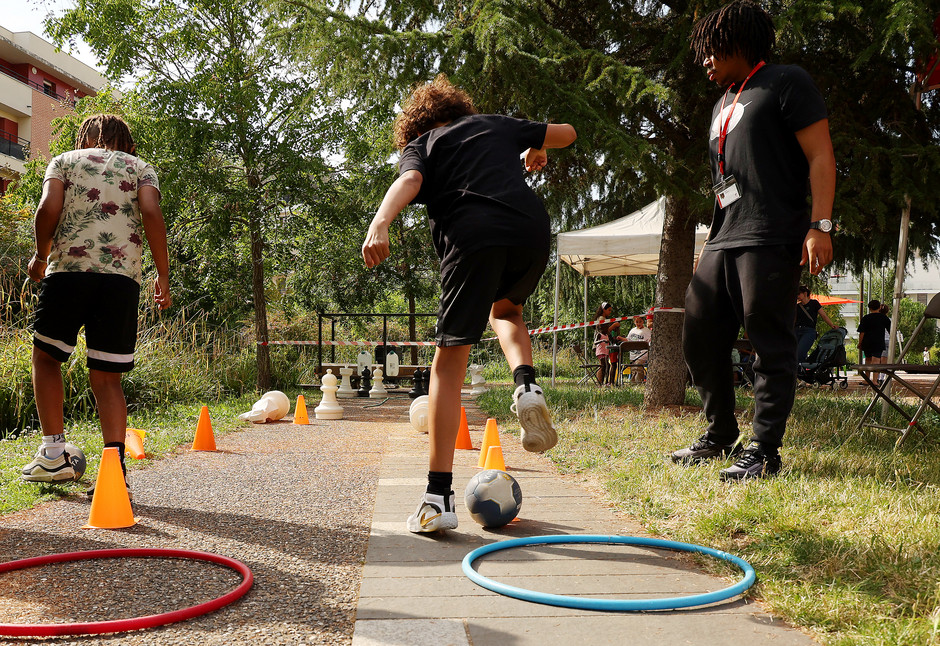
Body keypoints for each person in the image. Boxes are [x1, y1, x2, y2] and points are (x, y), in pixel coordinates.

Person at [361, 75, 577, 533]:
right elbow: (568, 133)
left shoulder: (423, 143)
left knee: (447, 362)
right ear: (461, 110)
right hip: (531, 229)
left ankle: (438, 497)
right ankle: (526, 385)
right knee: (507, 311)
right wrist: (539, 146)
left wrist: (380, 222)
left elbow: (411, 179)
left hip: (473, 233)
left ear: (420, 124)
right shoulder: (496, 125)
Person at [671, 0, 836, 481]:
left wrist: (820, 225)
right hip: (725, 234)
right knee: (699, 333)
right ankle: (721, 435)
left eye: (711, 50)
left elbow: (821, 156)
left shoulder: (787, 81)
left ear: (738, 41)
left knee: (769, 341)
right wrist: (709, 241)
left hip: (772, 232)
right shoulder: (723, 101)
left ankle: (764, 450)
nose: (705, 61)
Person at [21, 114, 171, 491]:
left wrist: (40, 257)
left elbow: (47, 209)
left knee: (46, 357)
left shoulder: (65, 160)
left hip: (68, 273)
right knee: (107, 377)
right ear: (128, 143)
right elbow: (152, 213)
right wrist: (163, 275)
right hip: (121, 282)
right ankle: (113, 471)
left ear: (85, 137)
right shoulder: (142, 168)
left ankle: (54, 455)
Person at [795, 285, 838, 363]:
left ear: (805, 293)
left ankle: (801, 371)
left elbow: (823, 316)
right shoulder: (797, 306)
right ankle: (800, 371)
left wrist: (831, 325)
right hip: (797, 330)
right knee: (795, 353)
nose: (797, 296)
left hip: (809, 331)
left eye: (798, 294)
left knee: (800, 352)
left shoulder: (814, 303)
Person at [857, 299, 891, 374]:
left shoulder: (865, 318)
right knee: (876, 361)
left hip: (867, 342)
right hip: (878, 342)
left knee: (868, 360)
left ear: (870, 308)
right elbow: (890, 330)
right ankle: (875, 380)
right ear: (879, 307)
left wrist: (860, 342)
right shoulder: (884, 318)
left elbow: (862, 332)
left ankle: (867, 379)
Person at [625, 316, 652, 382]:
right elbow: (628, 339)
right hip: (633, 353)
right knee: (633, 369)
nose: (638, 323)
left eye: (640, 321)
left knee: (638, 368)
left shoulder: (646, 331)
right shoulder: (632, 330)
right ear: (634, 322)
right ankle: (633, 383)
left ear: (643, 321)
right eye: (637, 322)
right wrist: (620, 338)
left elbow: (650, 340)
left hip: (642, 354)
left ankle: (639, 382)